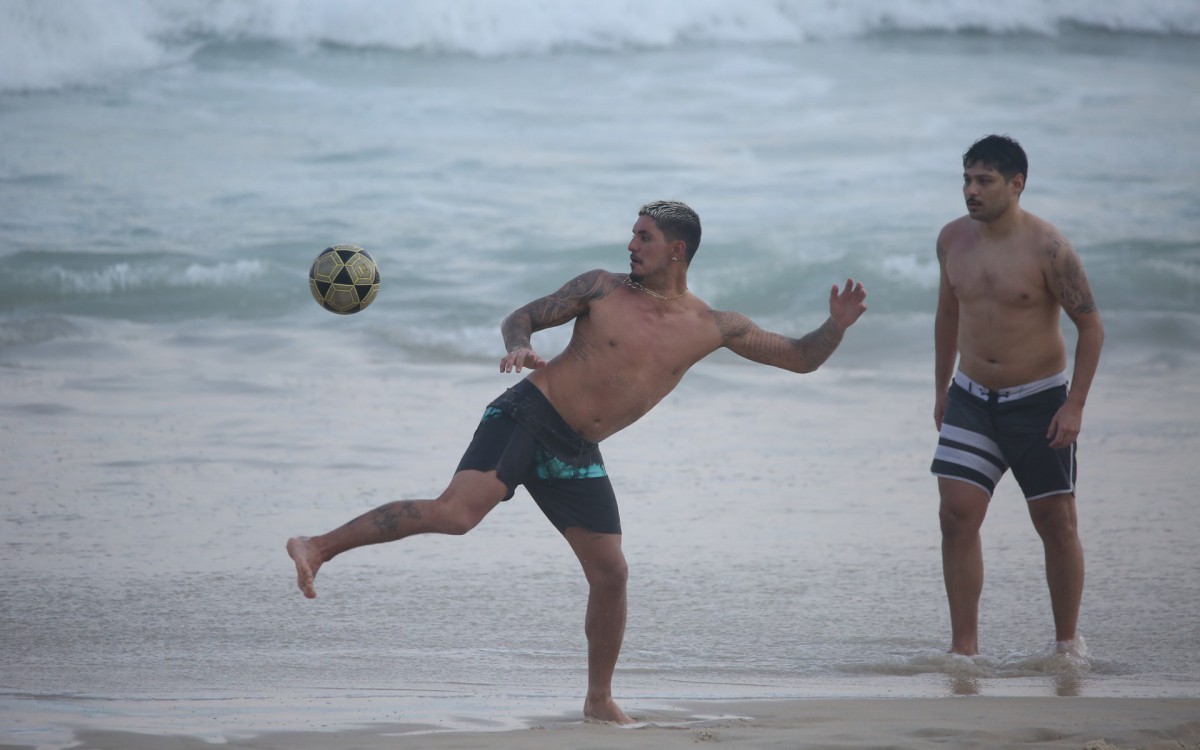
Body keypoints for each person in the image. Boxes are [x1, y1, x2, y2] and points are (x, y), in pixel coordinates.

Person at [287, 200, 868, 723]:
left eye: (643, 237)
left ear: (676, 250)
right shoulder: (600, 289)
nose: (631, 245)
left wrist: (835, 326)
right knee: (457, 515)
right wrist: (519, 345)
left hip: (576, 450)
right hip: (526, 416)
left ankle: (598, 699)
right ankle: (317, 547)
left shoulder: (713, 326)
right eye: (632, 234)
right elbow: (523, 316)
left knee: (611, 574)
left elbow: (800, 357)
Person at [931, 135, 1104, 656]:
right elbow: (948, 314)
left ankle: (1067, 646)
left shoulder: (1050, 249)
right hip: (970, 398)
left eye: (984, 181)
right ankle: (964, 652)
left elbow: (1091, 328)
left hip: (1039, 402)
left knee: (1055, 521)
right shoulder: (951, 240)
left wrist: (1074, 404)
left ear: (1016, 184)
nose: (971, 190)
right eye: (967, 179)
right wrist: (941, 389)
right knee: (956, 515)